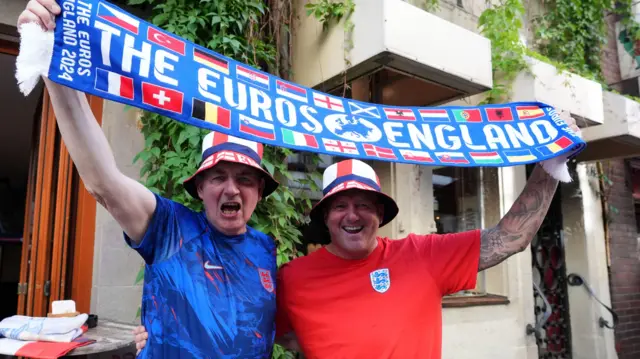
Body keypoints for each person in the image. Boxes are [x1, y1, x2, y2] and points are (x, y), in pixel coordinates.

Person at [135, 117, 581, 358]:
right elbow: (256, 324)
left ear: (381, 214)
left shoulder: (422, 255)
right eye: (340, 205)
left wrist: (549, 169)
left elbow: (510, 237)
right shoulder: (292, 276)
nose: (353, 214)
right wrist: (163, 329)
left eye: (365, 204)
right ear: (326, 216)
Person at [17, 1, 281, 358]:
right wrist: (53, 60)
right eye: (218, 176)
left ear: (260, 190)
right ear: (200, 187)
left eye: (246, 179)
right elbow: (104, 183)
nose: (232, 188)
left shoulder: (266, 250)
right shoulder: (171, 229)